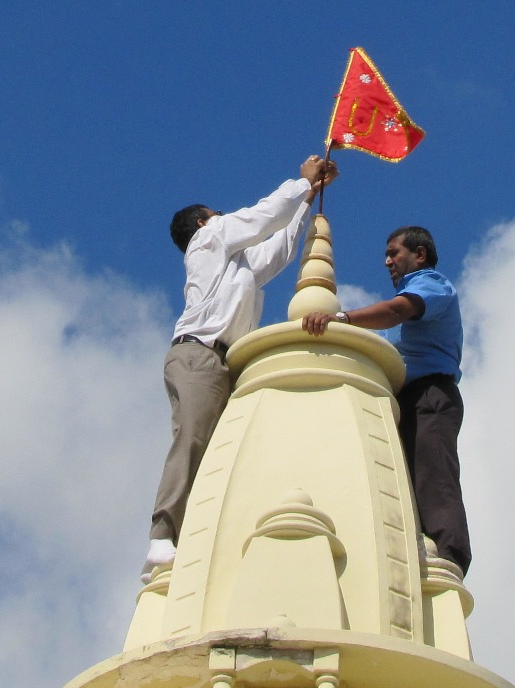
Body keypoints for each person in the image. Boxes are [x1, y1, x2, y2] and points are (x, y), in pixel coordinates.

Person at [145, 155, 338, 577]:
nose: (224, 216)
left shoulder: (235, 265)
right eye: (217, 213)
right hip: (198, 355)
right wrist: (300, 183)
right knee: (193, 437)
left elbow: (279, 250)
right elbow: (260, 218)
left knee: (220, 453)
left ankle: (192, 540)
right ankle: (163, 535)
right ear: (203, 223)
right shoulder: (208, 239)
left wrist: (308, 199)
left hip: (224, 363)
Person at [300, 224, 470, 572]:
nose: (387, 261)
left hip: (430, 394)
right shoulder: (411, 296)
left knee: (433, 475)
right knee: (404, 478)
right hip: (407, 397)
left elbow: (395, 311)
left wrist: (342, 320)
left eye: (394, 253)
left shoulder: (430, 285)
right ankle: (419, 553)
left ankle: (449, 557)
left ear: (419, 255)